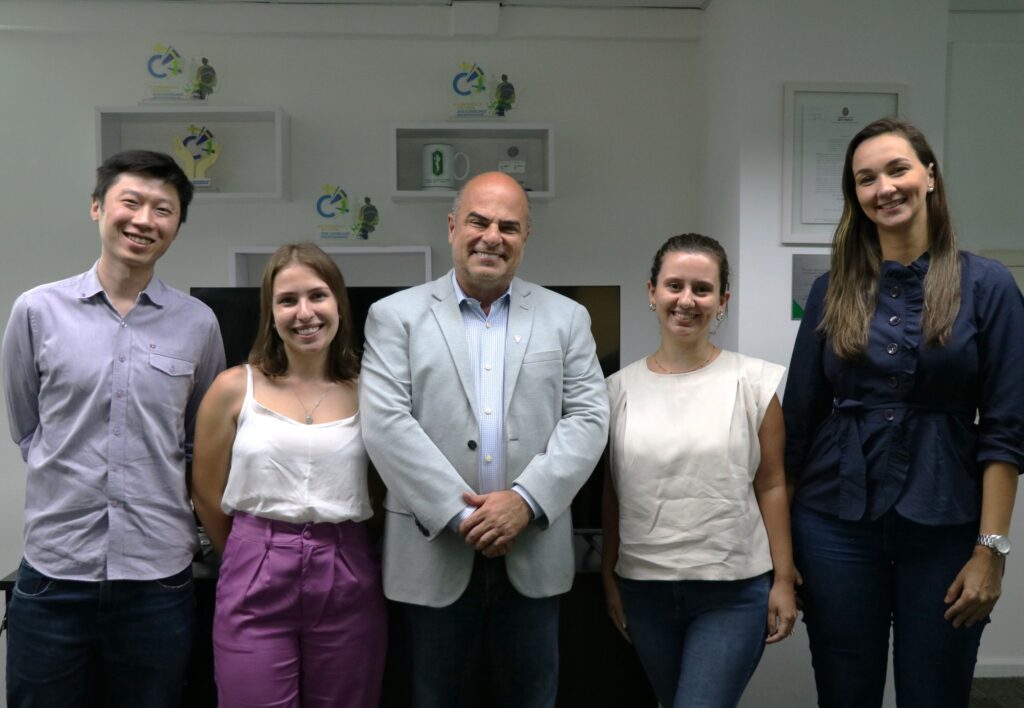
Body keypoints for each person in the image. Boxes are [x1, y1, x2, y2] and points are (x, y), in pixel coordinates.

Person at [784, 117, 1024, 708]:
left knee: (935, 690)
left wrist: (989, 552)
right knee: (845, 691)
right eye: (866, 179)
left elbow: (1006, 431)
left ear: (929, 177)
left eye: (897, 169)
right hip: (833, 520)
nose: (884, 187)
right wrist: (781, 553)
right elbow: (799, 422)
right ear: (856, 197)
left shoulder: (988, 284)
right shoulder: (832, 287)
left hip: (944, 525)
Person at [359, 171, 609, 708]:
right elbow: (386, 424)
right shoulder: (394, 317)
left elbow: (588, 417)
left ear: (525, 239)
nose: (492, 236)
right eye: (478, 221)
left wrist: (524, 501)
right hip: (434, 550)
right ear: (452, 227)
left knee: (532, 698)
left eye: (509, 226)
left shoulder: (567, 318)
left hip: (533, 547)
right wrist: (464, 515)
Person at [2, 150, 225, 707]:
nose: (144, 220)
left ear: (176, 227)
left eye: (163, 210)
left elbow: (202, 443)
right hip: (56, 573)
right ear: (98, 207)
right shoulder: (36, 311)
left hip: (157, 579)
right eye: (131, 202)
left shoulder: (197, 324)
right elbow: (29, 429)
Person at [601, 233, 798, 708]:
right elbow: (613, 490)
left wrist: (785, 579)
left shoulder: (754, 383)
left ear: (722, 300)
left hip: (734, 590)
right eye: (674, 286)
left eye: (702, 289)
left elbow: (772, 484)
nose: (686, 300)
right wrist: (609, 576)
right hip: (645, 589)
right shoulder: (616, 390)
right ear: (652, 292)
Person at [191, 242, 386, 708]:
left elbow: (381, 490)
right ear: (271, 313)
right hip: (254, 570)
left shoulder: (373, 392)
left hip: (348, 570)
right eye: (287, 300)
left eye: (317, 296)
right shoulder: (234, 388)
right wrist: (253, 549)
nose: (305, 313)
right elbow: (205, 492)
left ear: (338, 302)